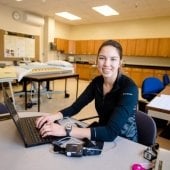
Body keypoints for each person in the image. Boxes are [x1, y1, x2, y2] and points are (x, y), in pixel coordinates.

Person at [36, 40, 138, 142]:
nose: (107, 63)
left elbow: (110, 133)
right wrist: (54, 116)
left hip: (124, 141)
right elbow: (75, 107)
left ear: (120, 62)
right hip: (100, 134)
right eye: (102, 58)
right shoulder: (97, 82)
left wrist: (66, 130)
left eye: (113, 59)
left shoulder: (129, 88)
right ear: (97, 60)